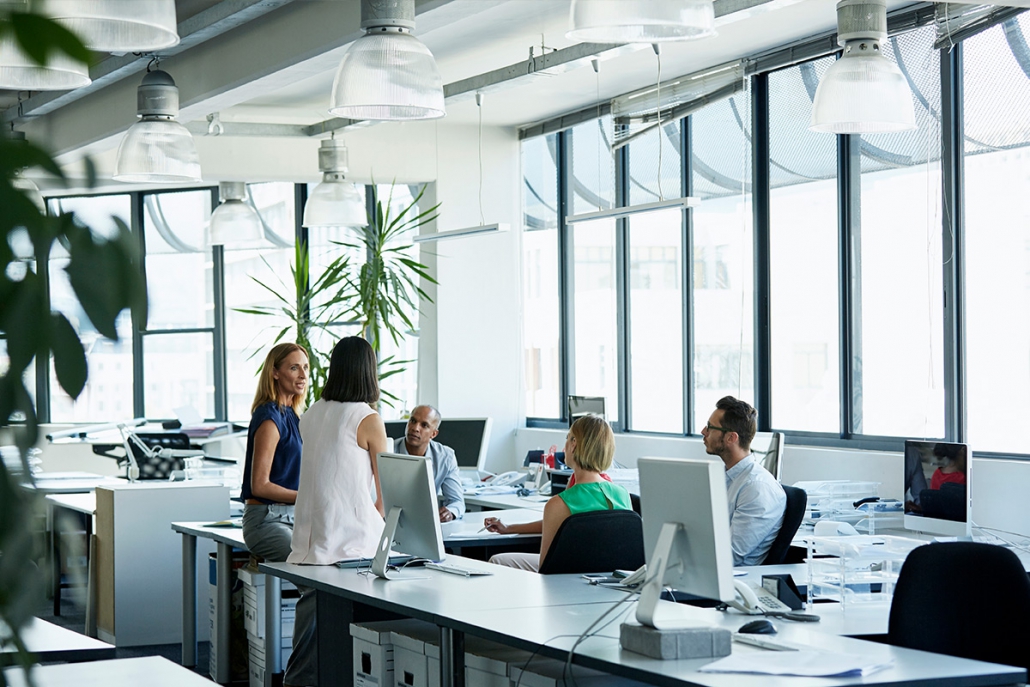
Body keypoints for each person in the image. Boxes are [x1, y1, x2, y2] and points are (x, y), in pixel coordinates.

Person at [284, 336, 389, 687]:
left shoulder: (312, 412)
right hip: (350, 542)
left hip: (310, 540)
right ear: (368, 371)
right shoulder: (367, 417)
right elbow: (385, 492)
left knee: (312, 627)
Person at [487, 414, 631, 572]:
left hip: (567, 581)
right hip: (609, 580)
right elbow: (562, 524)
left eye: (568, 438)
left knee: (497, 560)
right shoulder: (622, 494)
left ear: (574, 444)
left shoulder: (559, 503)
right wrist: (509, 528)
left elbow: (546, 567)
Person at [241, 343, 308, 563]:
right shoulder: (270, 417)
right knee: (311, 571)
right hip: (266, 520)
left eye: (306, 368)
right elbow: (259, 485)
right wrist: (307, 497)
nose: (302, 375)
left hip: (292, 518)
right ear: (275, 373)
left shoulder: (293, 415)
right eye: (294, 368)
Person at [702, 396, 786, 566]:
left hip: (734, 582)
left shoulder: (757, 488)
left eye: (710, 427)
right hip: (703, 570)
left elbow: (730, 555)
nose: (704, 432)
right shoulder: (726, 478)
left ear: (731, 438)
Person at [392, 404, 465, 522]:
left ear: (434, 434)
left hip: (425, 522)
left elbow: (457, 501)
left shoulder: (445, 457)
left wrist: (451, 512)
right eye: (413, 421)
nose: (415, 428)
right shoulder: (387, 450)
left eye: (424, 425)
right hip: (390, 520)